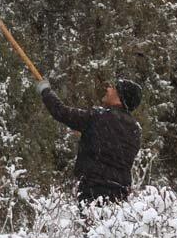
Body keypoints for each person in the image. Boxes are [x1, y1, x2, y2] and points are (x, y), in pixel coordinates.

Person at [36, 77, 142, 205]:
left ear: (120, 98)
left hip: (93, 190)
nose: (108, 89)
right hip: (120, 194)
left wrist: (46, 91)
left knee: (90, 223)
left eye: (113, 89)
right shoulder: (135, 130)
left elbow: (62, 112)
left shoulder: (100, 117)